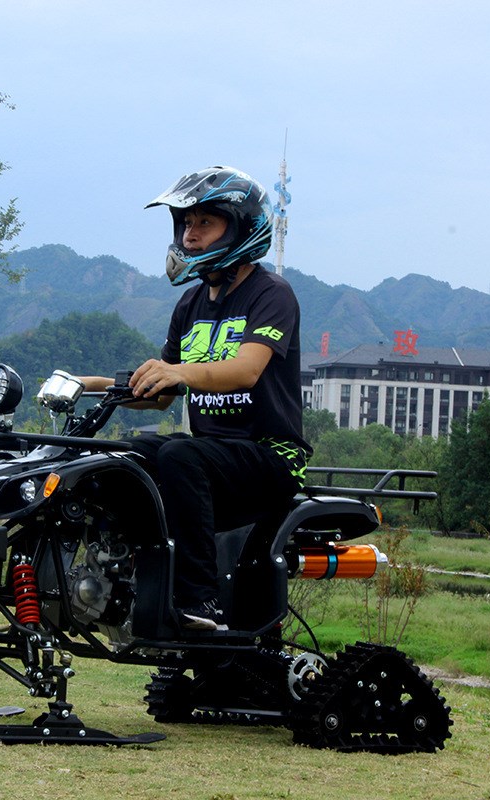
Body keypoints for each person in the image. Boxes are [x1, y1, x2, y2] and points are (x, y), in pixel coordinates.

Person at [83, 166, 311, 631]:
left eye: (205, 223)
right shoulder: (189, 304)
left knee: (181, 454)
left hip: (271, 456)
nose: (190, 235)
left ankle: (199, 601)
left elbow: (246, 370)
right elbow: (162, 395)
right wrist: (93, 385)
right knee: (126, 454)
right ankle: (121, 580)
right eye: (186, 223)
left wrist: (177, 371)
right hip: (214, 458)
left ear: (242, 227)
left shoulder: (271, 294)